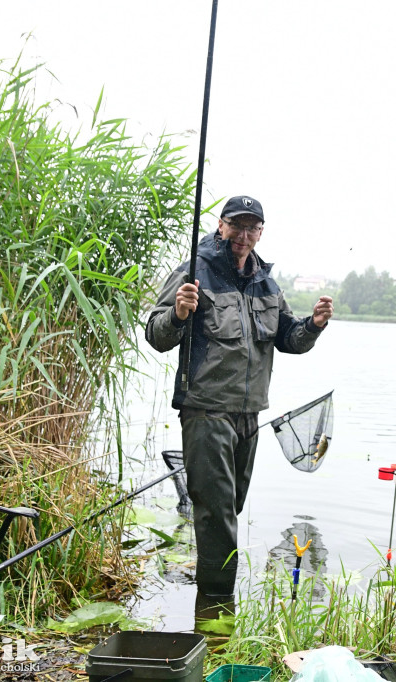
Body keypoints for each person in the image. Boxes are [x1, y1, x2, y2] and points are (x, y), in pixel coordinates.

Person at [145, 195, 332, 622]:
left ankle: (212, 601)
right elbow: (156, 334)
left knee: (232, 508)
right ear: (221, 225)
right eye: (237, 226)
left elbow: (289, 338)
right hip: (206, 410)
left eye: (253, 228)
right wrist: (177, 313)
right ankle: (215, 618)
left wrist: (314, 326)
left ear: (260, 232)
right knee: (216, 519)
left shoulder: (265, 283)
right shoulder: (194, 271)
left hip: (249, 415)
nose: (244, 236)